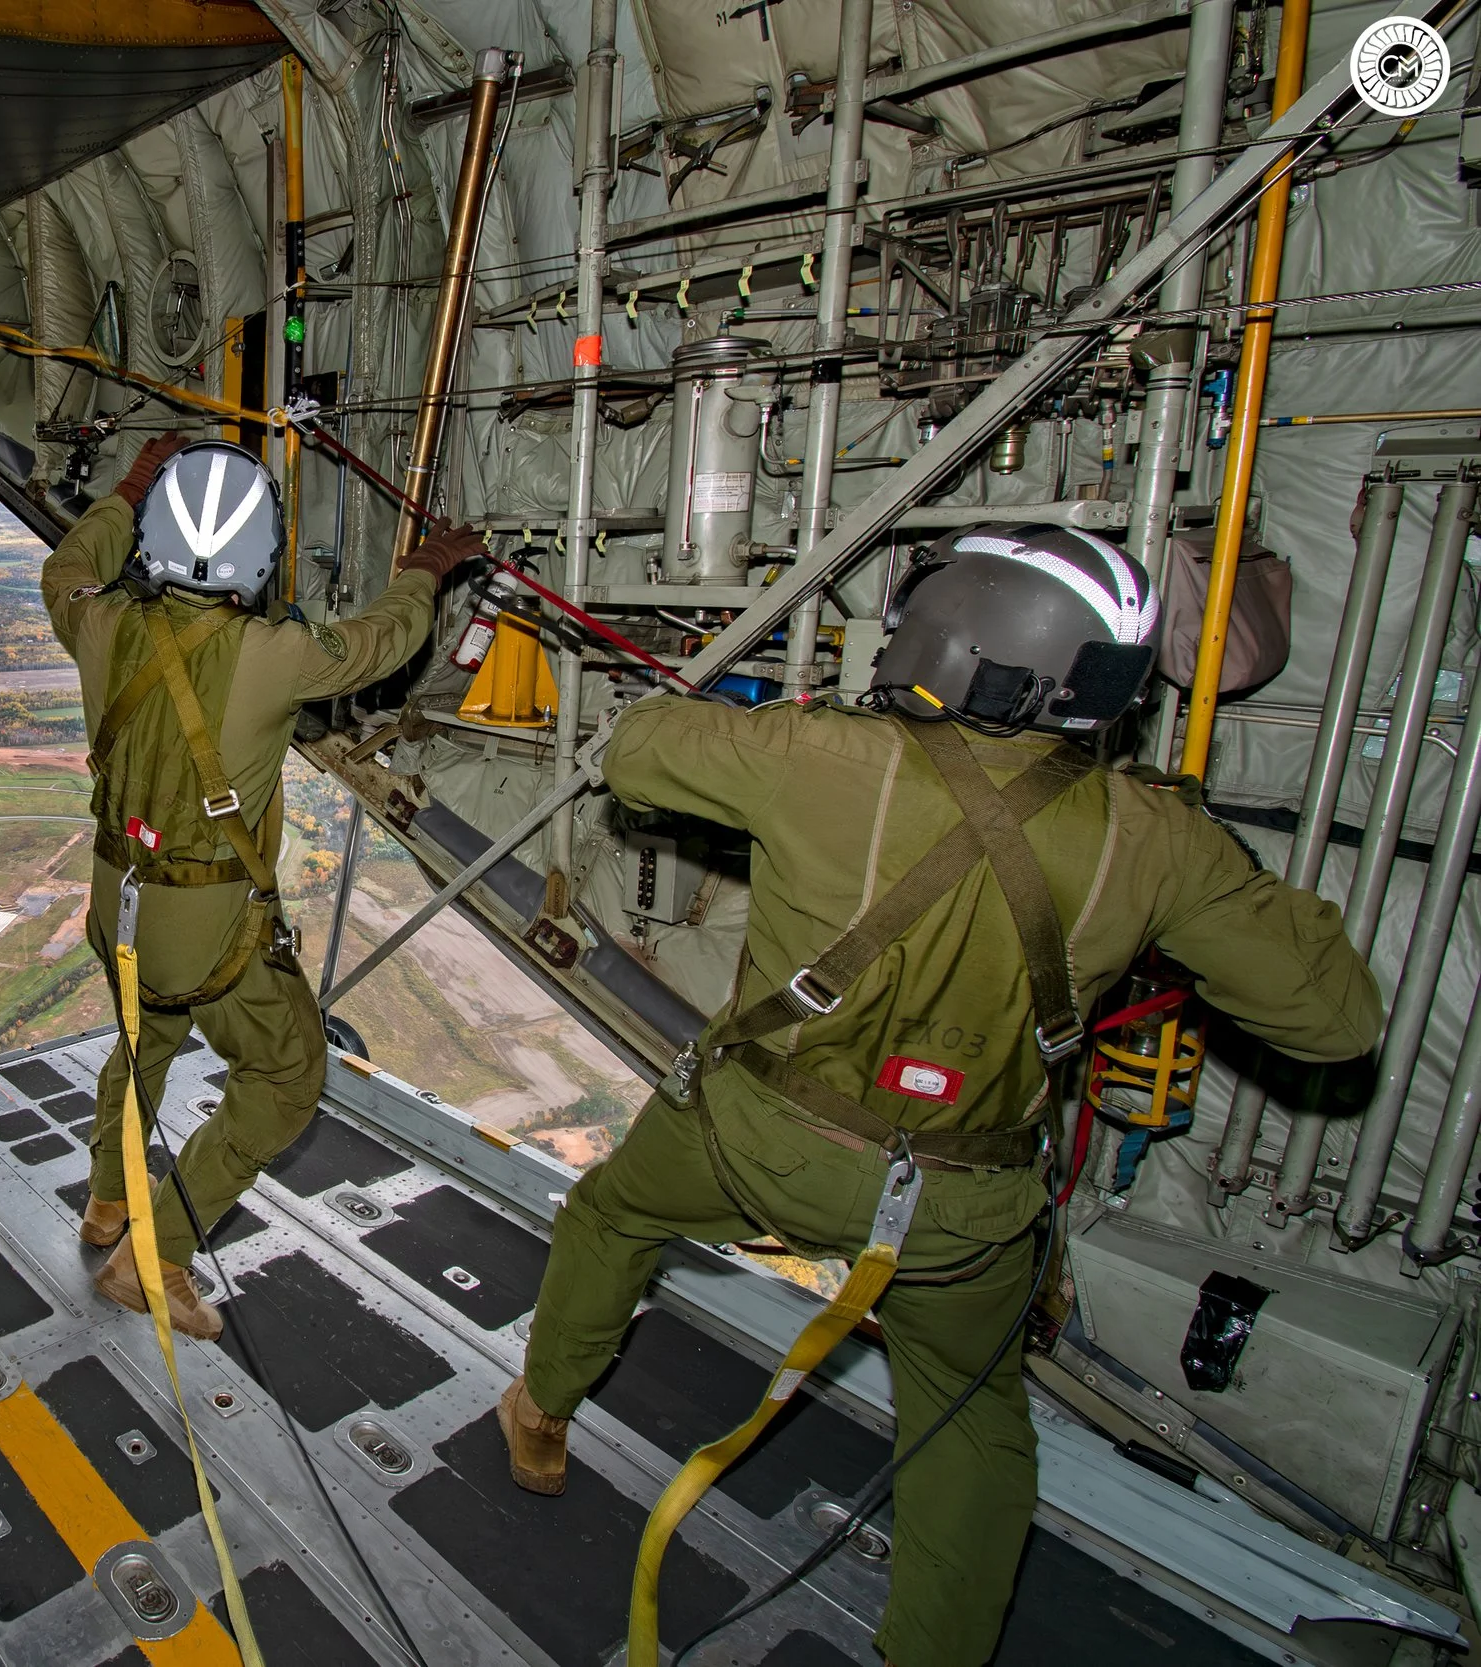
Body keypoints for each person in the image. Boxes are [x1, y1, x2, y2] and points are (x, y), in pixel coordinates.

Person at [496, 525, 1382, 1667]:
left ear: (951, 638)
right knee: (969, 1423)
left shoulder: (818, 758)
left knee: (614, 1217)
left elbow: (638, 749)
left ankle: (542, 1415)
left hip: (753, 1136)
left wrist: (798, 719)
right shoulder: (1153, 837)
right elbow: (1335, 1017)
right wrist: (1203, 857)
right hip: (960, 1206)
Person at [42, 434, 478, 1339]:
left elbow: (74, 561)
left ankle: (106, 1201)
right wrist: (433, 562)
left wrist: (129, 482)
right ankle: (155, 1256)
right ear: (260, 557)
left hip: (115, 902)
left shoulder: (96, 621)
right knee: (286, 1072)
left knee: (144, 1034)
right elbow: (385, 639)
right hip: (207, 934)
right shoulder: (278, 653)